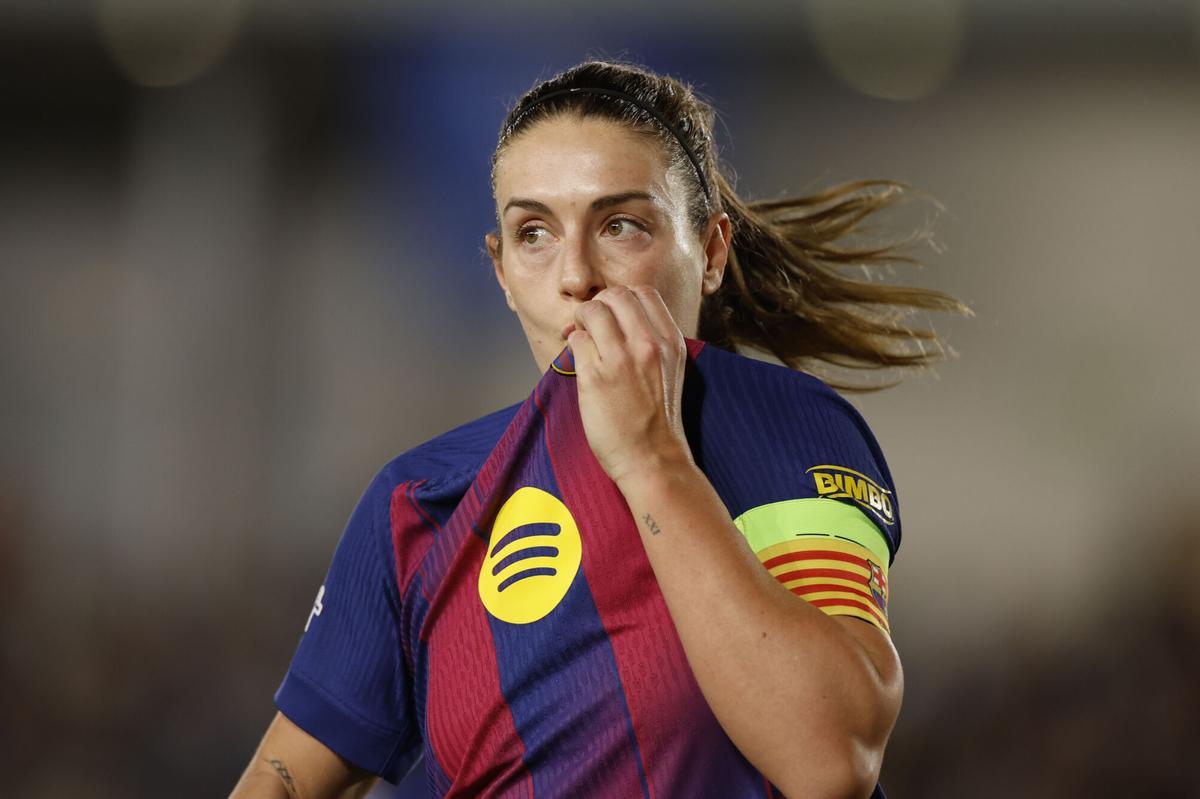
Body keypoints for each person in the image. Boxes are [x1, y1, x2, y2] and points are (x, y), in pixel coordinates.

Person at [231, 59, 966, 799]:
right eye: (534, 233)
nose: (575, 274)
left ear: (710, 252)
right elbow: (285, 778)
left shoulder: (786, 428)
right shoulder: (421, 498)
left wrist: (651, 459)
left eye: (621, 225)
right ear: (501, 272)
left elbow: (831, 757)